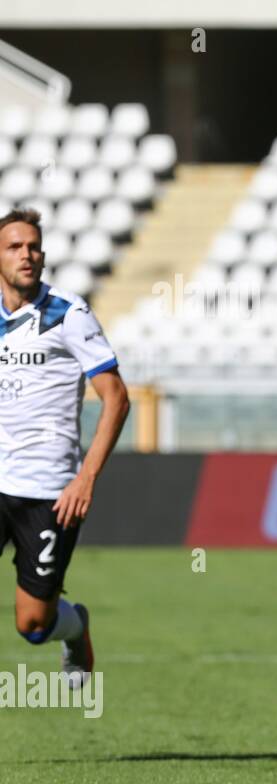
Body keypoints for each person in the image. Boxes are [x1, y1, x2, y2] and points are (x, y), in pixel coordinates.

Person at [0, 208, 130, 687]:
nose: (26, 255)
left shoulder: (67, 314)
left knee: (32, 625)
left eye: (33, 246)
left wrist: (86, 478)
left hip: (50, 491)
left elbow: (116, 398)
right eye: (14, 247)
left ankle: (75, 627)